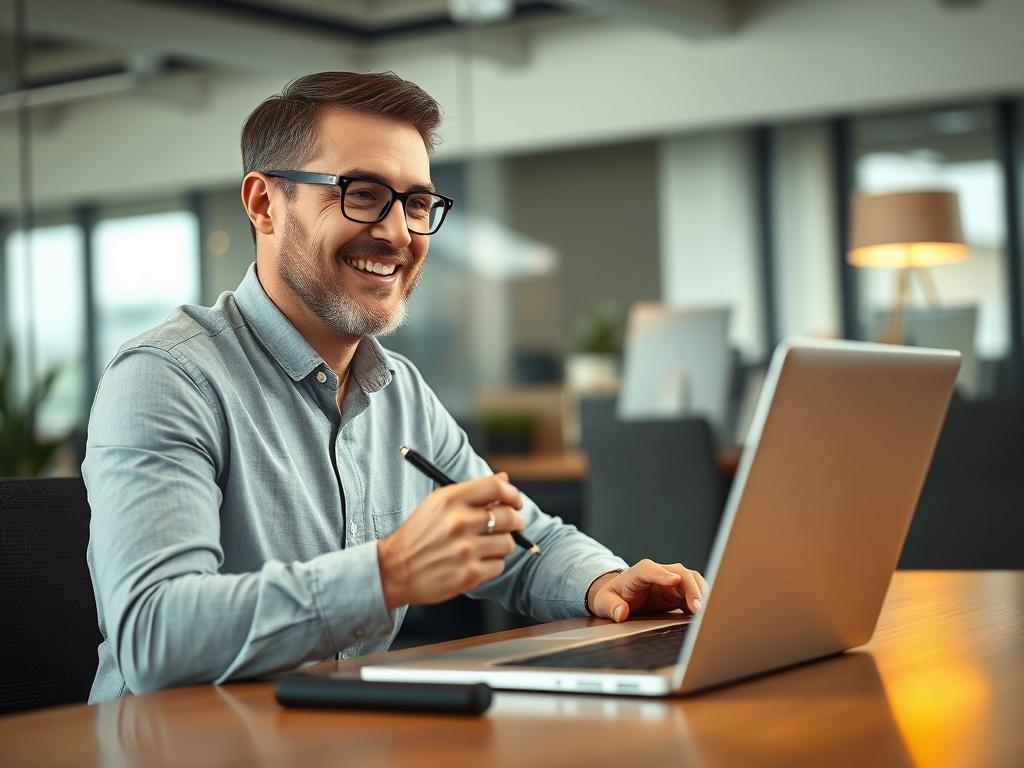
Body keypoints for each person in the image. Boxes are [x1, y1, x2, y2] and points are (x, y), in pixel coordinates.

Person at [83, 71, 706, 702]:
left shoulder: (397, 390)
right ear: (265, 204)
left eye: (414, 203)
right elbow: (154, 635)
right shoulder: (167, 377)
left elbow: (518, 538)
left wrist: (606, 582)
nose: (400, 233)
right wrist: (388, 574)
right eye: (362, 194)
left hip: (334, 735)